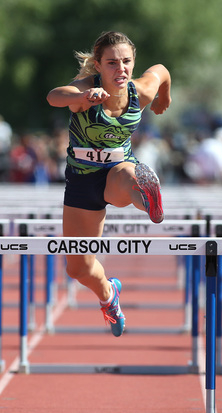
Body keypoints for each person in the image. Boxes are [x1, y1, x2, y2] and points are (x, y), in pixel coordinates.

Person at [47, 30, 171, 337]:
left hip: (117, 168)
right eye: (112, 63)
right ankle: (109, 295)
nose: (122, 69)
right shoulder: (85, 89)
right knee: (78, 269)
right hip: (81, 178)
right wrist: (81, 98)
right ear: (98, 66)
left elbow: (162, 72)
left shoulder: (140, 90)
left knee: (127, 179)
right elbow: (53, 96)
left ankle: (148, 199)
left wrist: (163, 99)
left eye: (127, 62)